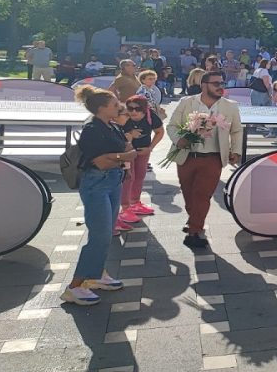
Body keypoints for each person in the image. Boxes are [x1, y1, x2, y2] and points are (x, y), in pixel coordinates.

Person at [61, 85, 138, 305]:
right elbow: (101, 161)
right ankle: (74, 286)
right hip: (97, 184)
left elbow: (119, 150)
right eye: (115, 104)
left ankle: (95, 275)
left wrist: (123, 155)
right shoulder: (92, 129)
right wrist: (125, 155)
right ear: (102, 108)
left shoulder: (110, 126)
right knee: (100, 234)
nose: (120, 107)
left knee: (106, 231)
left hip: (113, 181)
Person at [166, 71, 243, 249]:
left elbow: (237, 130)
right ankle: (194, 220)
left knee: (202, 195)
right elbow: (171, 125)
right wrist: (180, 139)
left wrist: (236, 151)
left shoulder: (230, 106)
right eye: (216, 83)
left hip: (213, 158)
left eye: (222, 83)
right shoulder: (187, 102)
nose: (220, 86)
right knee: (188, 194)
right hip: (186, 156)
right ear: (204, 85)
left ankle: (195, 231)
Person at [117, 95, 164, 229]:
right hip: (126, 153)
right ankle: (125, 208)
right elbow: (115, 133)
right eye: (130, 109)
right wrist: (130, 135)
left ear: (144, 109)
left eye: (137, 109)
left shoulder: (151, 116)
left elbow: (160, 131)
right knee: (128, 177)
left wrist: (150, 148)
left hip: (143, 151)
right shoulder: (123, 117)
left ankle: (135, 202)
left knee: (140, 175)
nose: (133, 112)